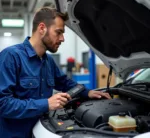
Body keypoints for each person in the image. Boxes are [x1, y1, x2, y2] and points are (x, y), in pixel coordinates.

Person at [0, 7, 111, 138]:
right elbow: (3, 103)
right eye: (58, 32)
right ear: (42, 28)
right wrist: (46, 104)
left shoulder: (48, 62)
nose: (62, 38)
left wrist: (88, 92)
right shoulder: (11, 57)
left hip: (42, 131)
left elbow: (65, 83)